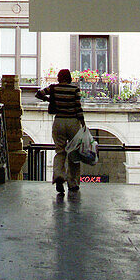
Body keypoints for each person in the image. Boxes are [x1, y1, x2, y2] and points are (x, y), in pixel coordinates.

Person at [35, 69, 85, 197]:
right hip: (73, 122)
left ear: (59, 78)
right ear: (69, 78)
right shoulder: (75, 90)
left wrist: (49, 100)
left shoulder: (53, 88)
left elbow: (38, 94)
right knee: (74, 153)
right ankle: (73, 183)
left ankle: (58, 177)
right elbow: (78, 107)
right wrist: (83, 123)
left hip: (59, 122)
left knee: (60, 151)